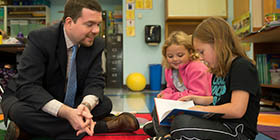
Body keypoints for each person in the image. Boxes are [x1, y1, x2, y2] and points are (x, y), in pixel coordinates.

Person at [1, 0, 139, 139]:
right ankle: (102, 126)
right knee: (19, 112)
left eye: (98, 24)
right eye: (89, 24)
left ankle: (29, 130)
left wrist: (86, 106)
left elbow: (95, 82)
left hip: (69, 100)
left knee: (105, 104)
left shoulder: (96, 44)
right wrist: (66, 112)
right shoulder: (41, 38)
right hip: (29, 97)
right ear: (69, 23)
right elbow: (29, 86)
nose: (96, 30)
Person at [146, 17, 261, 140]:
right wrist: (197, 99)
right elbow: (220, 99)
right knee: (164, 112)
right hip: (219, 123)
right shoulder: (219, 69)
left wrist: (203, 109)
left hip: (236, 131)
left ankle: (164, 133)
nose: (200, 57)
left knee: (181, 124)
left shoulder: (242, 67)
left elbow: (237, 109)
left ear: (219, 44)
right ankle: (167, 135)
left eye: (202, 52)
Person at [144, 31, 212, 138]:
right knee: (157, 107)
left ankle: (160, 130)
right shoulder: (170, 69)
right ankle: (165, 136)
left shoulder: (196, 67)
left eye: (180, 55)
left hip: (199, 104)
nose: (175, 59)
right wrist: (164, 94)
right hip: (183, 103)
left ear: (190, 52)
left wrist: (169, 97)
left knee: (167, 114)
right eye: (170, 56)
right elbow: (171, 88)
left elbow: (199, 94)